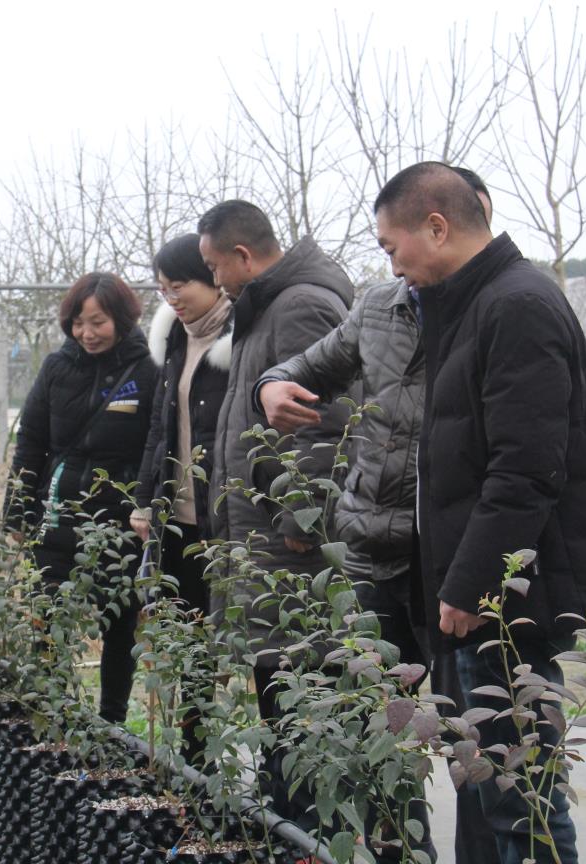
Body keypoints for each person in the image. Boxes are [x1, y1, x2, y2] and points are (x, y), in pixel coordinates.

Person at [373, 161, 586, 864]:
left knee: (517, 793)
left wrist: (470, 587)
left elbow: (527, 470)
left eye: (391, 246)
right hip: (480, 591)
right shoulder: (470, 305)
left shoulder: (515, 305)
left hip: (503, 601)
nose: (393, 266)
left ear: (436, 227)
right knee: (488, 783)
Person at [256, 167, 498, 863]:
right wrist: (273, 386)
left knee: (471, 745)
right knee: (377, 740)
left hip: (448, 566)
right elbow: (308, 365)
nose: (396, 262)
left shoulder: (494, 313)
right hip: (370, 557)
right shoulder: (380, 308)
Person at [197, 200, 355, 829]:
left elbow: (326, 423)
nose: (214, 282)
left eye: (215, 267)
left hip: (289, 547)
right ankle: (290, 828)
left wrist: (302, 519)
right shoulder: (262, 309)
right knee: (277, 694)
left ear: (242, 255)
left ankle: (315, 833)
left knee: (302, 694)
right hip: (258, 532)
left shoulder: (301, 307)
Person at [3, 272, 158, 723]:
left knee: (121, 623)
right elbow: (31, 439)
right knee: (49, 619)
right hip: (57, 516)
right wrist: (17, 511)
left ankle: (111, 722)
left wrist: (146, 506)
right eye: (78, 323)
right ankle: (51, 714)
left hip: (119, 522)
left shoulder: (147, 370)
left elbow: (156, 444)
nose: (87, 334)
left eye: (98, 322)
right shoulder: (57, 367)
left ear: (123, 320)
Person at [131, 233, 232, 765]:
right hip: (180, 522)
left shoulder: (243, 338)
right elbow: (160, 427)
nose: (172, 298)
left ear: (214, 276)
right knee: (187, 642)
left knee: (237, 645)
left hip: (228, 524)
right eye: (163, 289)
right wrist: (146, 501)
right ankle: (197, 761)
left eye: (181, 285)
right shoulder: (173, 337)